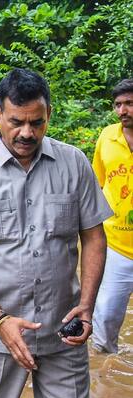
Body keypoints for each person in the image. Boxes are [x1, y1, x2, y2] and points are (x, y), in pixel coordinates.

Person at [0, 68, 111, 398]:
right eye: (17, 121)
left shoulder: (74, 164)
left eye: (37, 122)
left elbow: (94, 236)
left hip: (63, 329)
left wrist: (87, 305)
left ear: (48, 114)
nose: (27, 133)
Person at [91, 78, 133, 354]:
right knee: (105, 314)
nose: (122, 110)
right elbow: (97, 182)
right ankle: (106, 366)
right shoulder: (107, 136)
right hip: (117, 243)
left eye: (129, 103)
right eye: (118, 104)